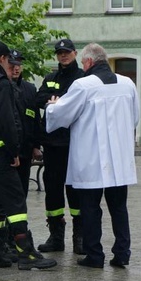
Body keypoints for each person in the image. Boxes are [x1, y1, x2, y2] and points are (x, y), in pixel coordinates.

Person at [0, 40, 57, 271]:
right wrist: (14, 151)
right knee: (15, 202)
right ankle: (26, 254)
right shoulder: (0, 83)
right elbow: (7, 121)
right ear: (2, 59)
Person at [44, 43, 139, 269]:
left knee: (90, 209)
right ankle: (122, 253)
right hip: (119, 161)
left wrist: (52, 105)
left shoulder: (83, 85)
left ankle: (95, 255)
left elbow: (62, 114)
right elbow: (135, 118)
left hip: (91, 159)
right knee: (119, 208)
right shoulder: (127, 84)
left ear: (87, 62)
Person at [35, 39, 85, 255]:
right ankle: (56, 236)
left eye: (66, 52)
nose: (63, 56)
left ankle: (80, 237)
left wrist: (59, 102)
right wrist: (53, 100)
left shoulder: (83, 78)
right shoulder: (51, 78)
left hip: (75, 144)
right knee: (53, 192)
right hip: (53, 144)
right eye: (59, 53)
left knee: (76, 192)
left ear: (75, 53)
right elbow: (39, 98)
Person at [7, 49, 42, 196]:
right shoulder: (1, 86)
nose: (16, 68)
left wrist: (36, 146)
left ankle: (19, 218)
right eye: (12, 64)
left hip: (25, 151)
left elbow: (35, 119)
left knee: (22, 190)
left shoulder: (29, 89)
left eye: (19, 64)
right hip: (7, 152)